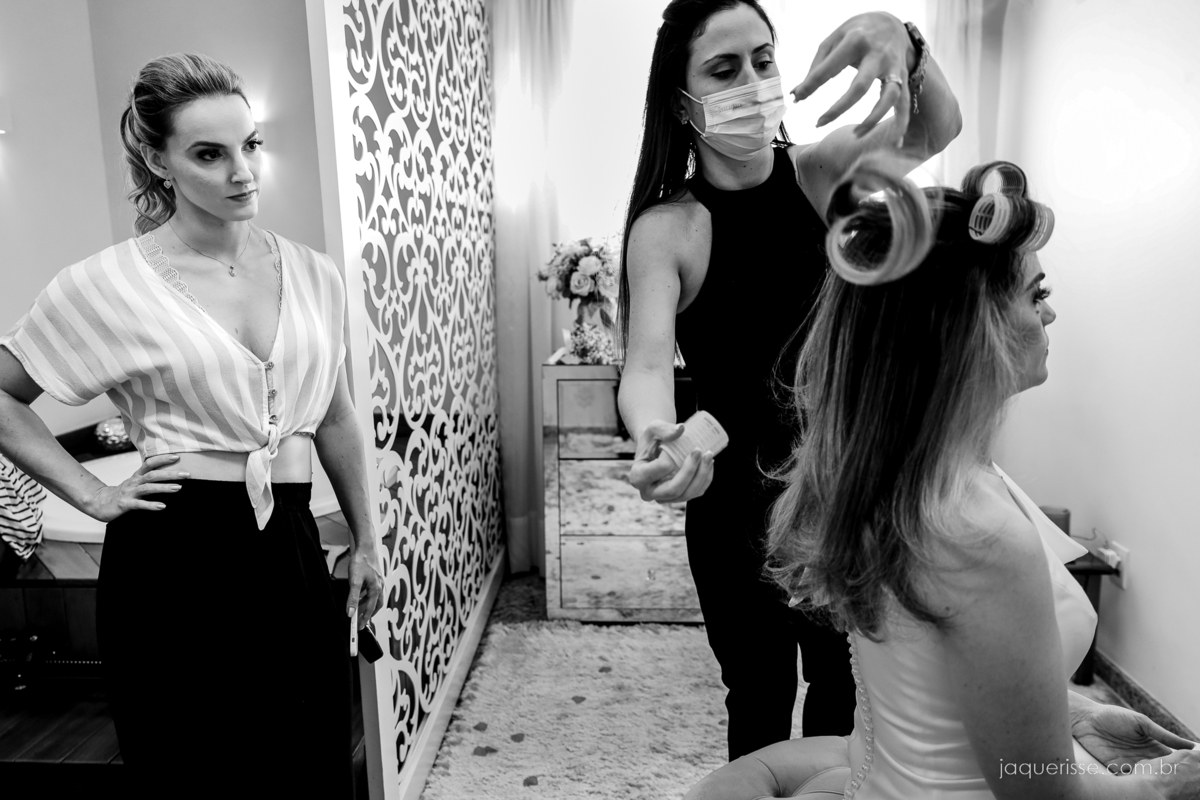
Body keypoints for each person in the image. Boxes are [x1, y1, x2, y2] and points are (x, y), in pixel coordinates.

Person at [683, 156, 1200, 798]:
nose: (1050, 315)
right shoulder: (977, 531)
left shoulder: (905, 473)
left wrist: (1072, 715)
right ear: (967, 327)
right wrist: (1167, 783)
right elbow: (1044, 794)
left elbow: (928, 674)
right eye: (1036, 295)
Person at [0, 54, 384, 798]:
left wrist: (368, 540)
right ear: (158, 161)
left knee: (307, 758)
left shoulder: (314, 273)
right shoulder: (107, 284)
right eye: (209, 154)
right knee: (193, 764)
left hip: (290, 540)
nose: (242, 172)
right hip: (173, 552)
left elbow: (335, 415)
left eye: (250, 145)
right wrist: (91, 494)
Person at [616, 0, 962, 759]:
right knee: (758, 691)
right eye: (723, 69)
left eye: (763, 59)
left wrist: (906, 42)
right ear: (681, 101)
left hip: (836, 484)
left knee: (843, 685)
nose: (751, 81)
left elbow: (938, 127)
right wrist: (655, 432)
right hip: (732, 502)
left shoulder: (819, 174)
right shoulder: (668, 228)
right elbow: (644, 366)